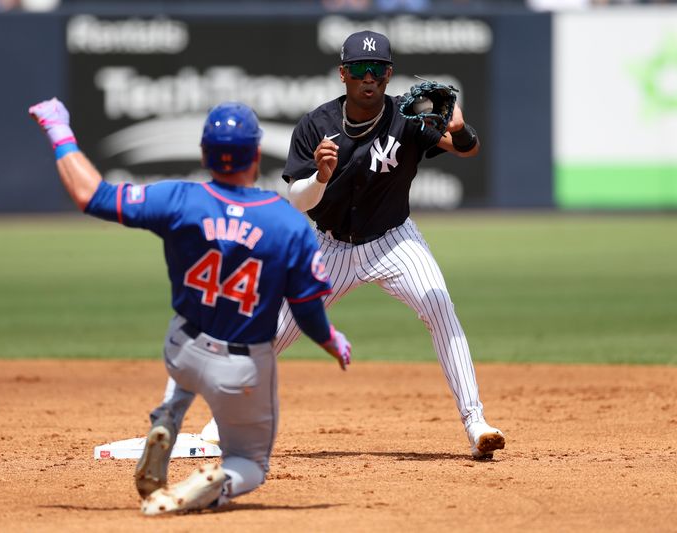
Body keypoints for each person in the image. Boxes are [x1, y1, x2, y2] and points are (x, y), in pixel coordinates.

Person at [28, 98, 352, 515]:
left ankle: (168, 415)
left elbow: (91, 195)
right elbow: (306, 308)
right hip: (242, 370)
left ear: (204, 154)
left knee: (188, 360)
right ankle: (200, 487)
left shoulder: (179, 199)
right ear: (256, 154)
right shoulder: (284, 220)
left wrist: (59, 129)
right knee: (250, 464)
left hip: (182, 349)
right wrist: (331, 340)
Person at [202, 30, 505, 460]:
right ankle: (219, 423)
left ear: (389, 74)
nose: (370, 78)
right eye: (360, 70)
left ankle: (476, 424)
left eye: (378, 70)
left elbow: (465, 149)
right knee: (274, 332)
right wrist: (320, 177)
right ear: (343, 74)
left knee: (440, 306)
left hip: (396, 241)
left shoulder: (409, 114)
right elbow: (298, 199)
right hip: (330, 248)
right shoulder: (317, 126)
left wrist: (461, 128)